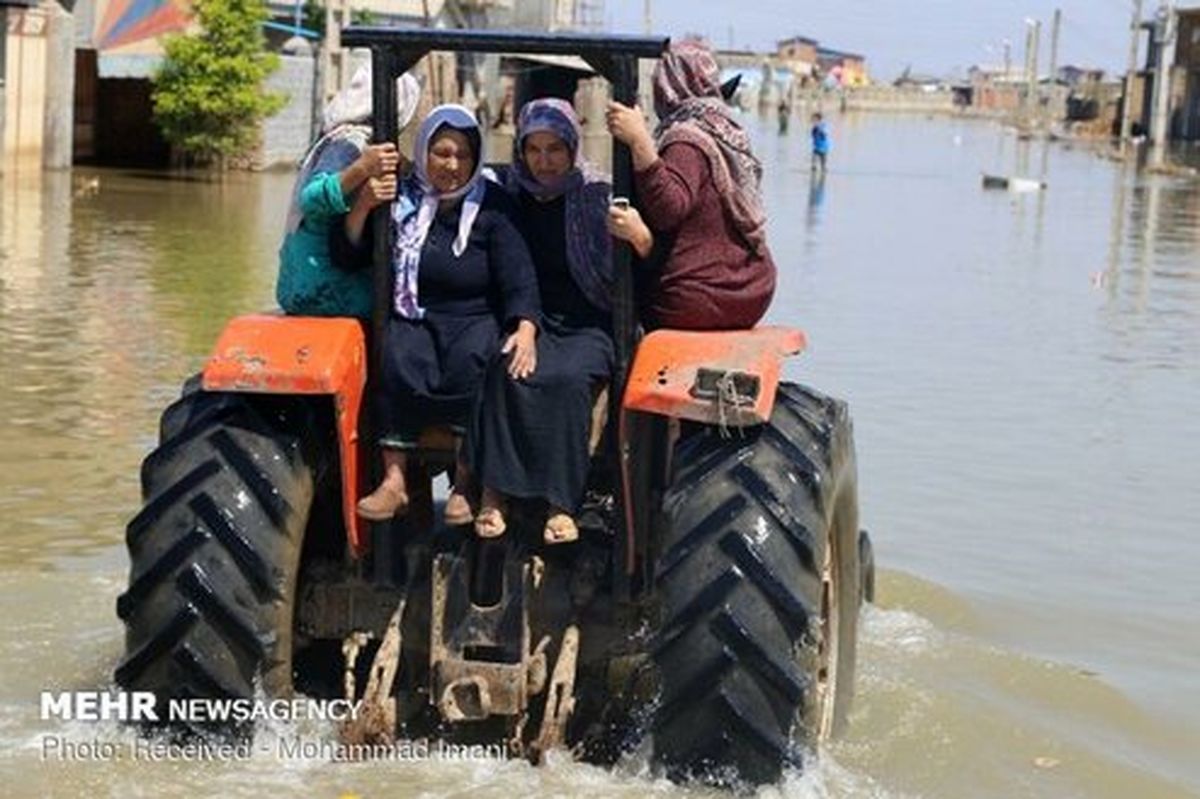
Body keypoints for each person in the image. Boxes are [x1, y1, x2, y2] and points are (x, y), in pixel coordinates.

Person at [344, 105, 541, 522]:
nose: (452, 165)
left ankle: (464, 485)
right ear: (424, 152)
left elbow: (519, 277)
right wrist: (362, 206)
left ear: (476, 159)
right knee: (397, 353)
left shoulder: (494, 206)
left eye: (463, 156)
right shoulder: (400, 199)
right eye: (442, 153)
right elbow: (351, 254)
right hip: (414, 313)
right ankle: (394, 481)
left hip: (473, 317)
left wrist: (525, 328)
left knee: (473, 360)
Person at [466, 98, 622, 544]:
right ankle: (494, 495)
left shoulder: (598, 194)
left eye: (555, 148)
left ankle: (560, 503)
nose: (544, 161)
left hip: (588, 320)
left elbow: (629, 267)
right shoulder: (506, 191)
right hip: (527, 314)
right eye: (534, 149)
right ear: (520, 150)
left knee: (568, 380)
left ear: (573, 147)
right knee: (503, 367)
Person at [605, 38, 776, 331]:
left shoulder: (687, 139)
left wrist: (640, 142)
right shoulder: (725, 128)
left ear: (666, 85)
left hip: (695, 301)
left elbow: (668, 209)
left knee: (619, 295)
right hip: (753, 291)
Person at [276, 65, 420, 319]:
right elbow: (310, 199)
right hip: (325, 288)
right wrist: (361, 169)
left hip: (299, 285)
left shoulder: (346, 140)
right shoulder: (349, 143)